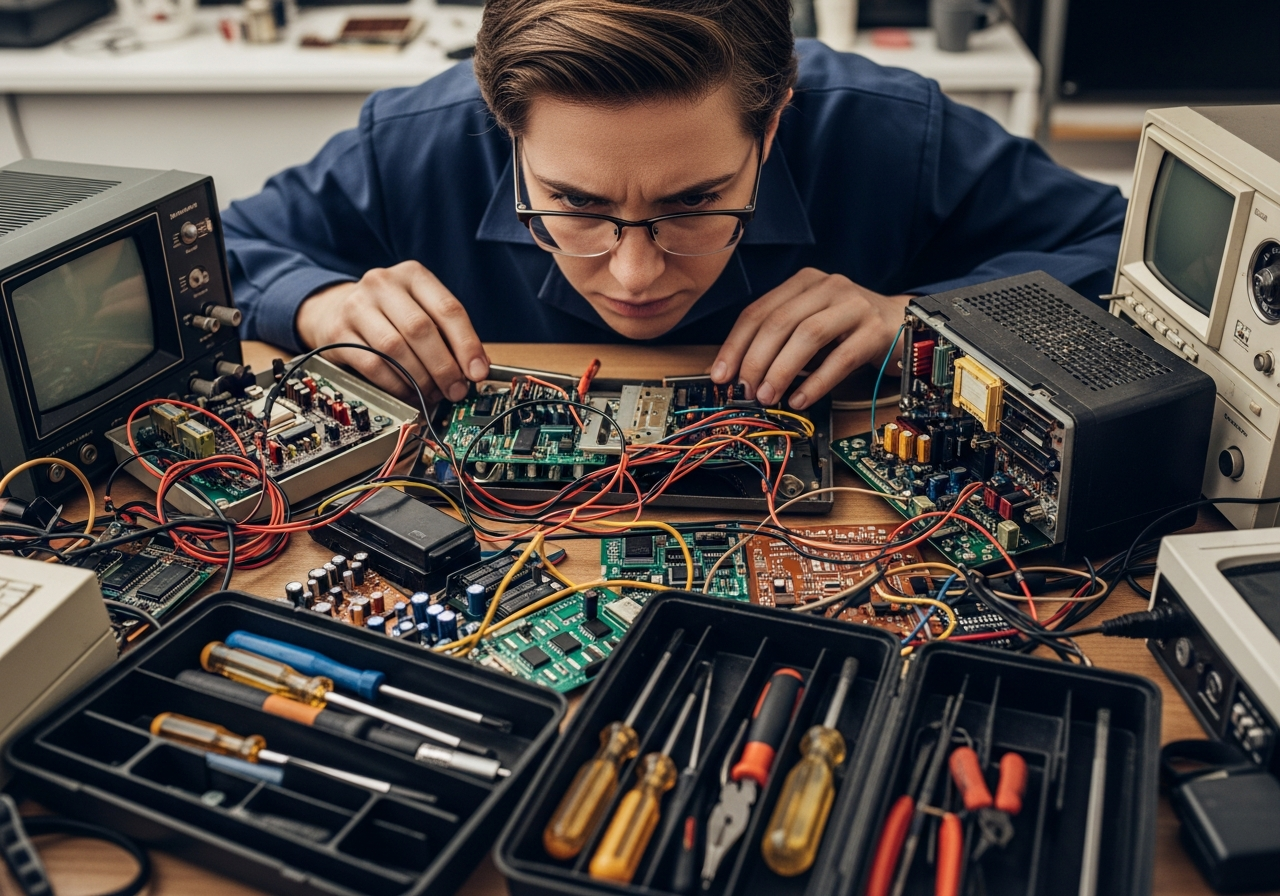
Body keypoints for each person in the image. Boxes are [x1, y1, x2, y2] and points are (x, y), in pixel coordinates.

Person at [221, 0, 1126, 409]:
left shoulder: (895, 132)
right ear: (503, 128)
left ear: (772, 128)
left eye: (696, 202)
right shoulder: (410, 140)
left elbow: (1120, 246)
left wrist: (919, 319)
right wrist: (317, 303)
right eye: (572, 204)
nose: (636, 274)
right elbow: (225, 249)